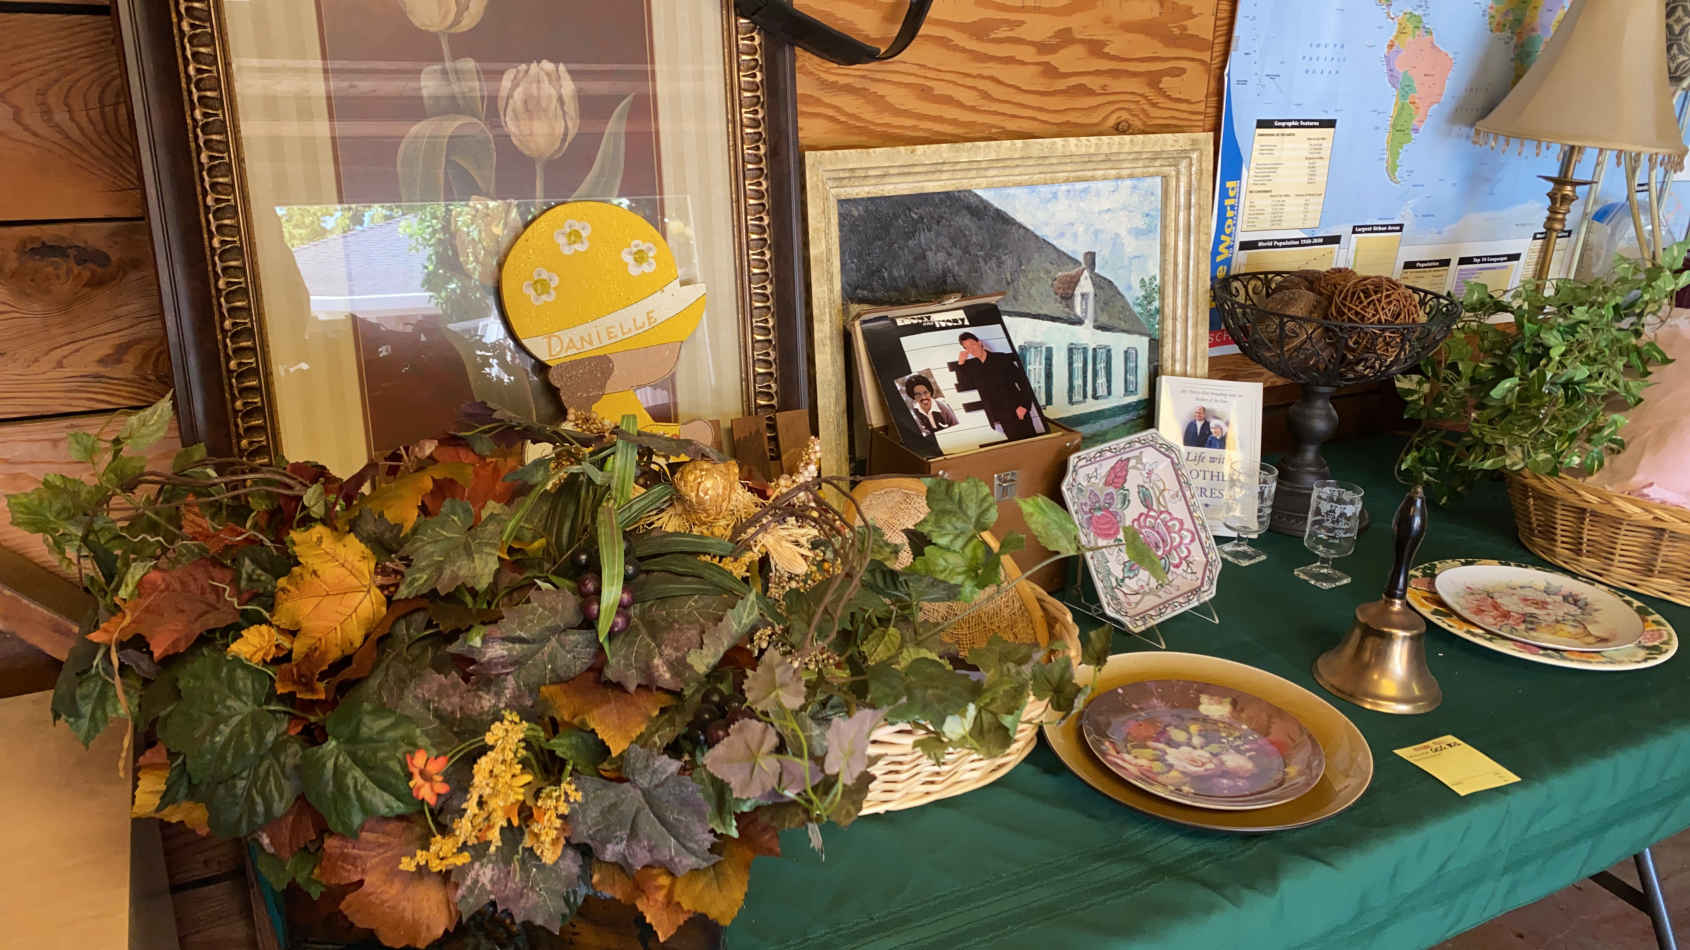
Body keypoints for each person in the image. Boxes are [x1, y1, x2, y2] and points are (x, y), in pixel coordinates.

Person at [953, 332, 1043, 440]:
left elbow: (1023, 382)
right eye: (967, 347)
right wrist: (961, 364)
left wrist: (1024, 405)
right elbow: (965, 384)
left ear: (979, 343)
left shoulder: (1001, 358)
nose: (971, 349)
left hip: (1017, 409)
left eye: (972, 344)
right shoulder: (972, 367)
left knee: (1032, 442)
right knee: (1016, 445)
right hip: (1000, 416)